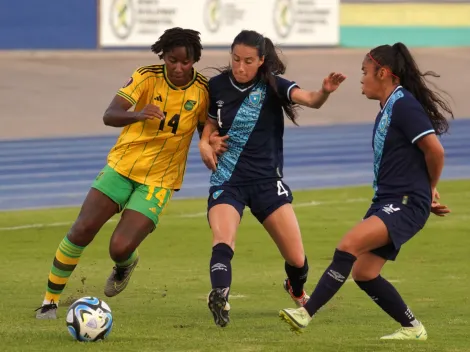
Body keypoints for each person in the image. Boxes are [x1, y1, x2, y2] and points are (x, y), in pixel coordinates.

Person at [36, 27, 221, 319]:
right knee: (82, 229)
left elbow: (206, 128)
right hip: (122, 167)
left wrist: (208, 142)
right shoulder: (146, 76)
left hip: (160, 180)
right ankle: (49, 301)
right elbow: (110, 114)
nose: (178, 67)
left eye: (185, 62)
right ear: (164, 56)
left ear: (195, 60)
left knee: (120, 247)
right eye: (172, 60)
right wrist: (138, 114)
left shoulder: (202, 91)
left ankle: (125, 264)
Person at [279, 42, 453, 340]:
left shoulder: (404, 105)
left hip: (405, 202)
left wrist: (429, 189)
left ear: (383, 73)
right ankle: (413, 328)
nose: (361, 78)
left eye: (365, 71)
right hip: (390, 200)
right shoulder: (388, 107)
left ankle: (305, 313)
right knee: (364, 273)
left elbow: (434, 151)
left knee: (348, 245)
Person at [198, 29, 346, 328]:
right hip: (228, 180)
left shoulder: (273, 85)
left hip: (267, 183)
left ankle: (296, 288)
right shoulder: (216, 86)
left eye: (248, 61)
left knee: (297, 260)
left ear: (261, 60)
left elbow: (310, 100)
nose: (240, 67)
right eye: (236, 59)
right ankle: (220, 295)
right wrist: (204, 143)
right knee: (222, 241)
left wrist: (325, 91)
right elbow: (209, 126)